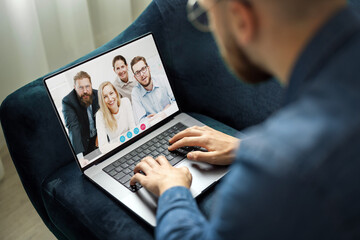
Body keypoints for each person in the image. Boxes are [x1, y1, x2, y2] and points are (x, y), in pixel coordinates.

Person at [130, 0, 360, 239]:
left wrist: (172, 189)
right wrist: (244, 147)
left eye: (206, 15)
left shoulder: (273, 172)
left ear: (241, 18)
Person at [62, 71, 99, 166]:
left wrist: (100, 136)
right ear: (75, 88)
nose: (85, 91)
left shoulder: (98, 94)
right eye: (81, 88)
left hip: (99, 140)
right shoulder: (68, 102)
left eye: (87, 86)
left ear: (91, 85)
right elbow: (73, 128)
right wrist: (80, 158)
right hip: (83, 145)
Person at [130, 56, 176, 125]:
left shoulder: (163, 79)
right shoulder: (135, 93)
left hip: (172, 119)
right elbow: (141, 122)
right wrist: (164, 112)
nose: (142, 74)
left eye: (143, 69)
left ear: (148, 68)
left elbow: (177, 103)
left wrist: (163, 114)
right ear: (135, 77)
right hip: (155, 128)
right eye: (137, 73)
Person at [96, 81, 135, 153]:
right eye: (105, 97)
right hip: (117, 151)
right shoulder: (100, 115)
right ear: (102, 100)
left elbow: (134, 130)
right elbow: (103, 147)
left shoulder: (125, 102)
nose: (110, 99)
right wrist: (123, 143)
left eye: (111, 93)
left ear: (116, 93)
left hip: (132, 144)